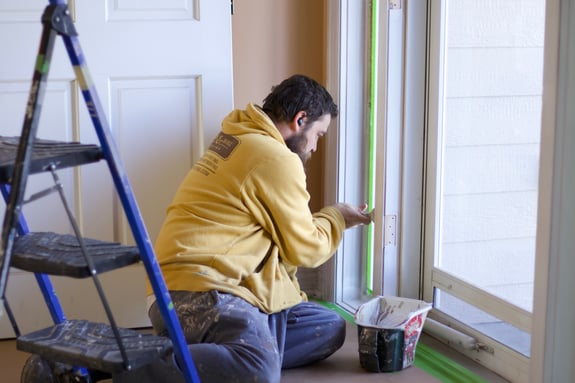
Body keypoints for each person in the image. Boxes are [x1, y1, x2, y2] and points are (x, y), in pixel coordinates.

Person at [123, 74, 372, 383]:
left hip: (202, 290)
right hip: (197, 293)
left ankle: (215, 354)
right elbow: (306, 247)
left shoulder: (240, 137)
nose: (316, 147)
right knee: (261, 370)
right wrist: (337, 217)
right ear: (300, 120)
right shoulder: (275, 157)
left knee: (329, 327)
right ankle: (134, 363)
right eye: (319, 134)